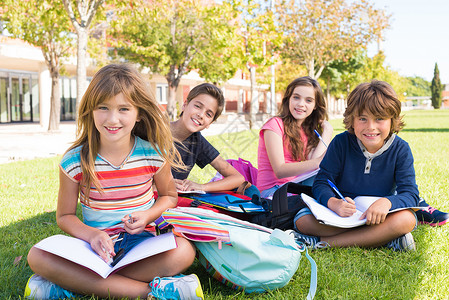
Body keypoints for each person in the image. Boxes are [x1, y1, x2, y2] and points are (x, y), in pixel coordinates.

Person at [24, 64, 203, 300]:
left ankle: (71, 284)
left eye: (123, 109)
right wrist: (92, 236)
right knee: (37, 255)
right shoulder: (74, 161)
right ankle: (150, 292)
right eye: (103, 107)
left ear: (138, 112)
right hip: (93, 247)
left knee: (183, 252)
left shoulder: (153, 154)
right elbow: (65, 216)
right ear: (91, 110)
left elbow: (169, 196)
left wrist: (148, 216)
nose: (112, 118)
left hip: (141, 245)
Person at [293, 80, 420, 252]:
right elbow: (322, 181)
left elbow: (410, 194)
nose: (371, 127)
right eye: (362, 119)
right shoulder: (341, 143)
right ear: (352, 120)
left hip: (379, 216)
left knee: (407, 219)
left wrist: (387, 203)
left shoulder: (401, 149)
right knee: (302, 221)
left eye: (379, 119)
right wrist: (333, 203)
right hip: (340, 215)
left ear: (393, 120)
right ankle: (383, 239)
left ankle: (323, 242)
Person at [257, 76, 333, 199]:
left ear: (315, 106)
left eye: (308, 100)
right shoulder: (274, 125)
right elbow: (280, 170)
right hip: (272, 191)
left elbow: (313, 164)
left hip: (295, 186)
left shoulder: (306, 130)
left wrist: (327, 132)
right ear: (289, 99)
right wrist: (318, 162)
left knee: (322, 179)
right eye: (296, 97)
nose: (301, 104)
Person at [170, 83, 252, 195]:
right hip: (145, 200)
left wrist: (201, 187)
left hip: (171, 202)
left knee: (250, 193)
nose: (201, 115)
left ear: (210, 123)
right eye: (197, 106)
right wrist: (164, 185)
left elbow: (238, 178)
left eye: (208, 114)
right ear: (185, 105)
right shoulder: (155, 131)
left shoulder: (197, 141)